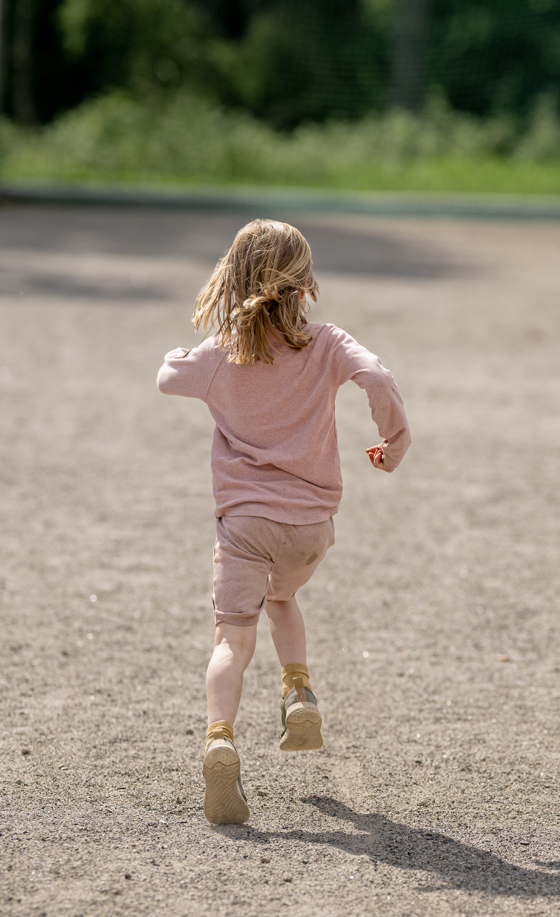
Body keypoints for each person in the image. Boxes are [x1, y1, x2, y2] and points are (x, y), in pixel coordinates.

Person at [158, 219, 410, 824]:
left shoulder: (219, 356)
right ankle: (298, 690)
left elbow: (168, 378)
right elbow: (376, 375)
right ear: (303, 284)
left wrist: (180, 352)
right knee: (283, 598)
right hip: (309, 524)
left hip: (244, 523)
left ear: (233, 279)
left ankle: (220, 738)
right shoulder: (326, 342)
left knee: (231, 637)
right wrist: (394, 442)